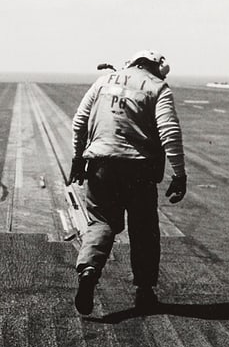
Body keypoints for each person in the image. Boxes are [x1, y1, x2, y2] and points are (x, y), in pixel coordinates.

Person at [68, 50, 187, 315]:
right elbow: (169, 132)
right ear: (158, 68)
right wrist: (179, 173)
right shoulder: (158, 88)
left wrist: (77, 158)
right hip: (139, 171)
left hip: (100, 166)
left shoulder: (104, 81)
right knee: (144, 230)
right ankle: (144, 292)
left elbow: (79, 123)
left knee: (101, 222)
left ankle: (89, 270)